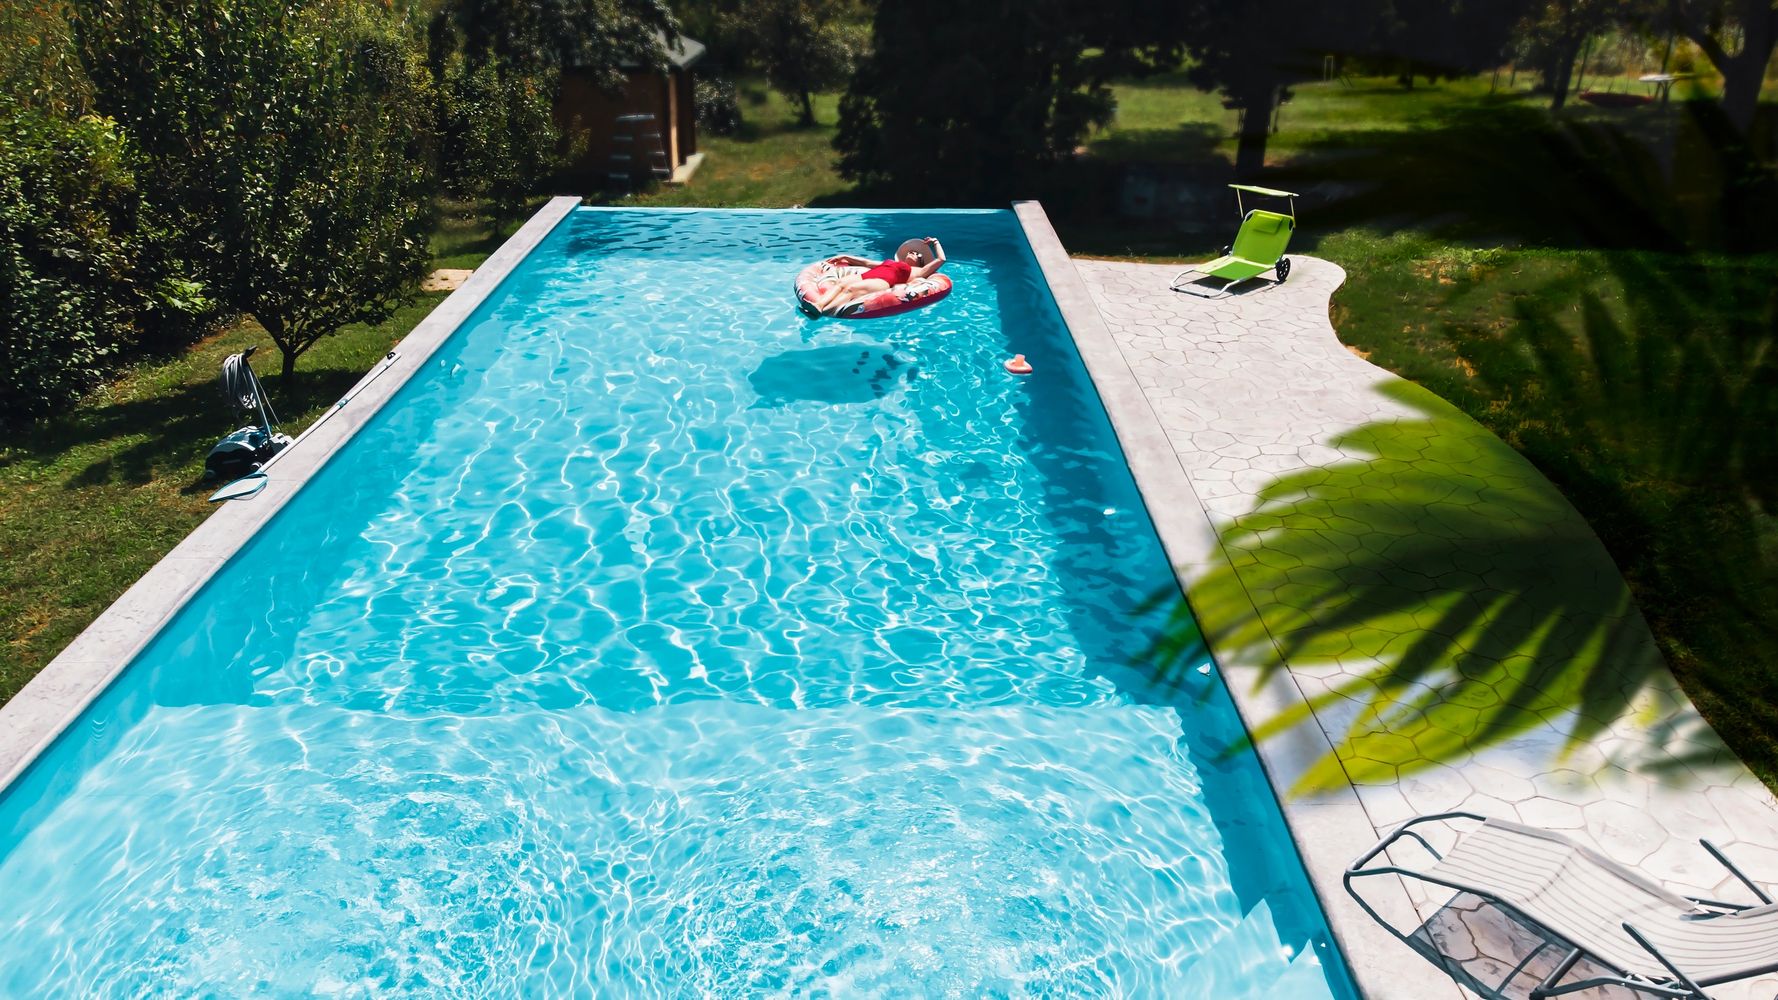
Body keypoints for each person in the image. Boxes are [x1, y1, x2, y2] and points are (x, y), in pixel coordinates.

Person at [808, 237, 946, 316]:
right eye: (911, 251)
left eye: (917, 254)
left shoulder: (918, 271)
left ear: (921, 262)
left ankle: (823, 312)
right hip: (868, 275)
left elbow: (941, 259)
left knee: (850, 289)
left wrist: (935, 242)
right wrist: (844, 256)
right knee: (840, 284)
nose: (913, 253)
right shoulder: (890, 262)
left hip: (882, 281)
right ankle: (818, 305)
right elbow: (866, 262)